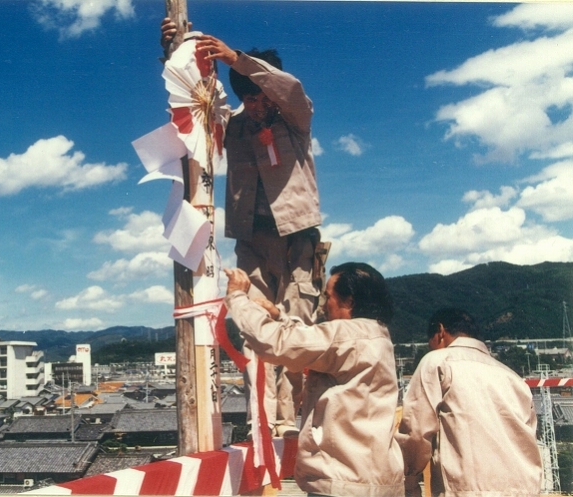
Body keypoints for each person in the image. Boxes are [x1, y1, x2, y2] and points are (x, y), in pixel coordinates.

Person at [161, 19, 326, 436]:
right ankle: (262, 425)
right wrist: (176, 49)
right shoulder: (232, 126)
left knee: (297, 326)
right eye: (248, 98)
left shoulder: (295, 118)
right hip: (251, 243)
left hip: (297, 241)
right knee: (254, 327)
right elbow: (192, 104)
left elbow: (291, 90)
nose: (256, 104)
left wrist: (239, 60)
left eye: (261, 94)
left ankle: (298, 426)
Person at [224, 262, 404, 496]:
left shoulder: (346, 334)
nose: (324, 304)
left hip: (342, 481)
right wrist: (280, 316)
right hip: (378, 478)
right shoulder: (377, 334)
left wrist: (237, 297)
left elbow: (275, 343)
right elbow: (310, 342)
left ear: (348, 301)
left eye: (328, 296)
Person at [397, 308, 542, 496]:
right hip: (525, 489)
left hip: (468, 489)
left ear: (440, 332)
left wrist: (408, 480)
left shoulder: (437, 361)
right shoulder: (512, 377)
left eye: (430, 343)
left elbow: (416, 432)